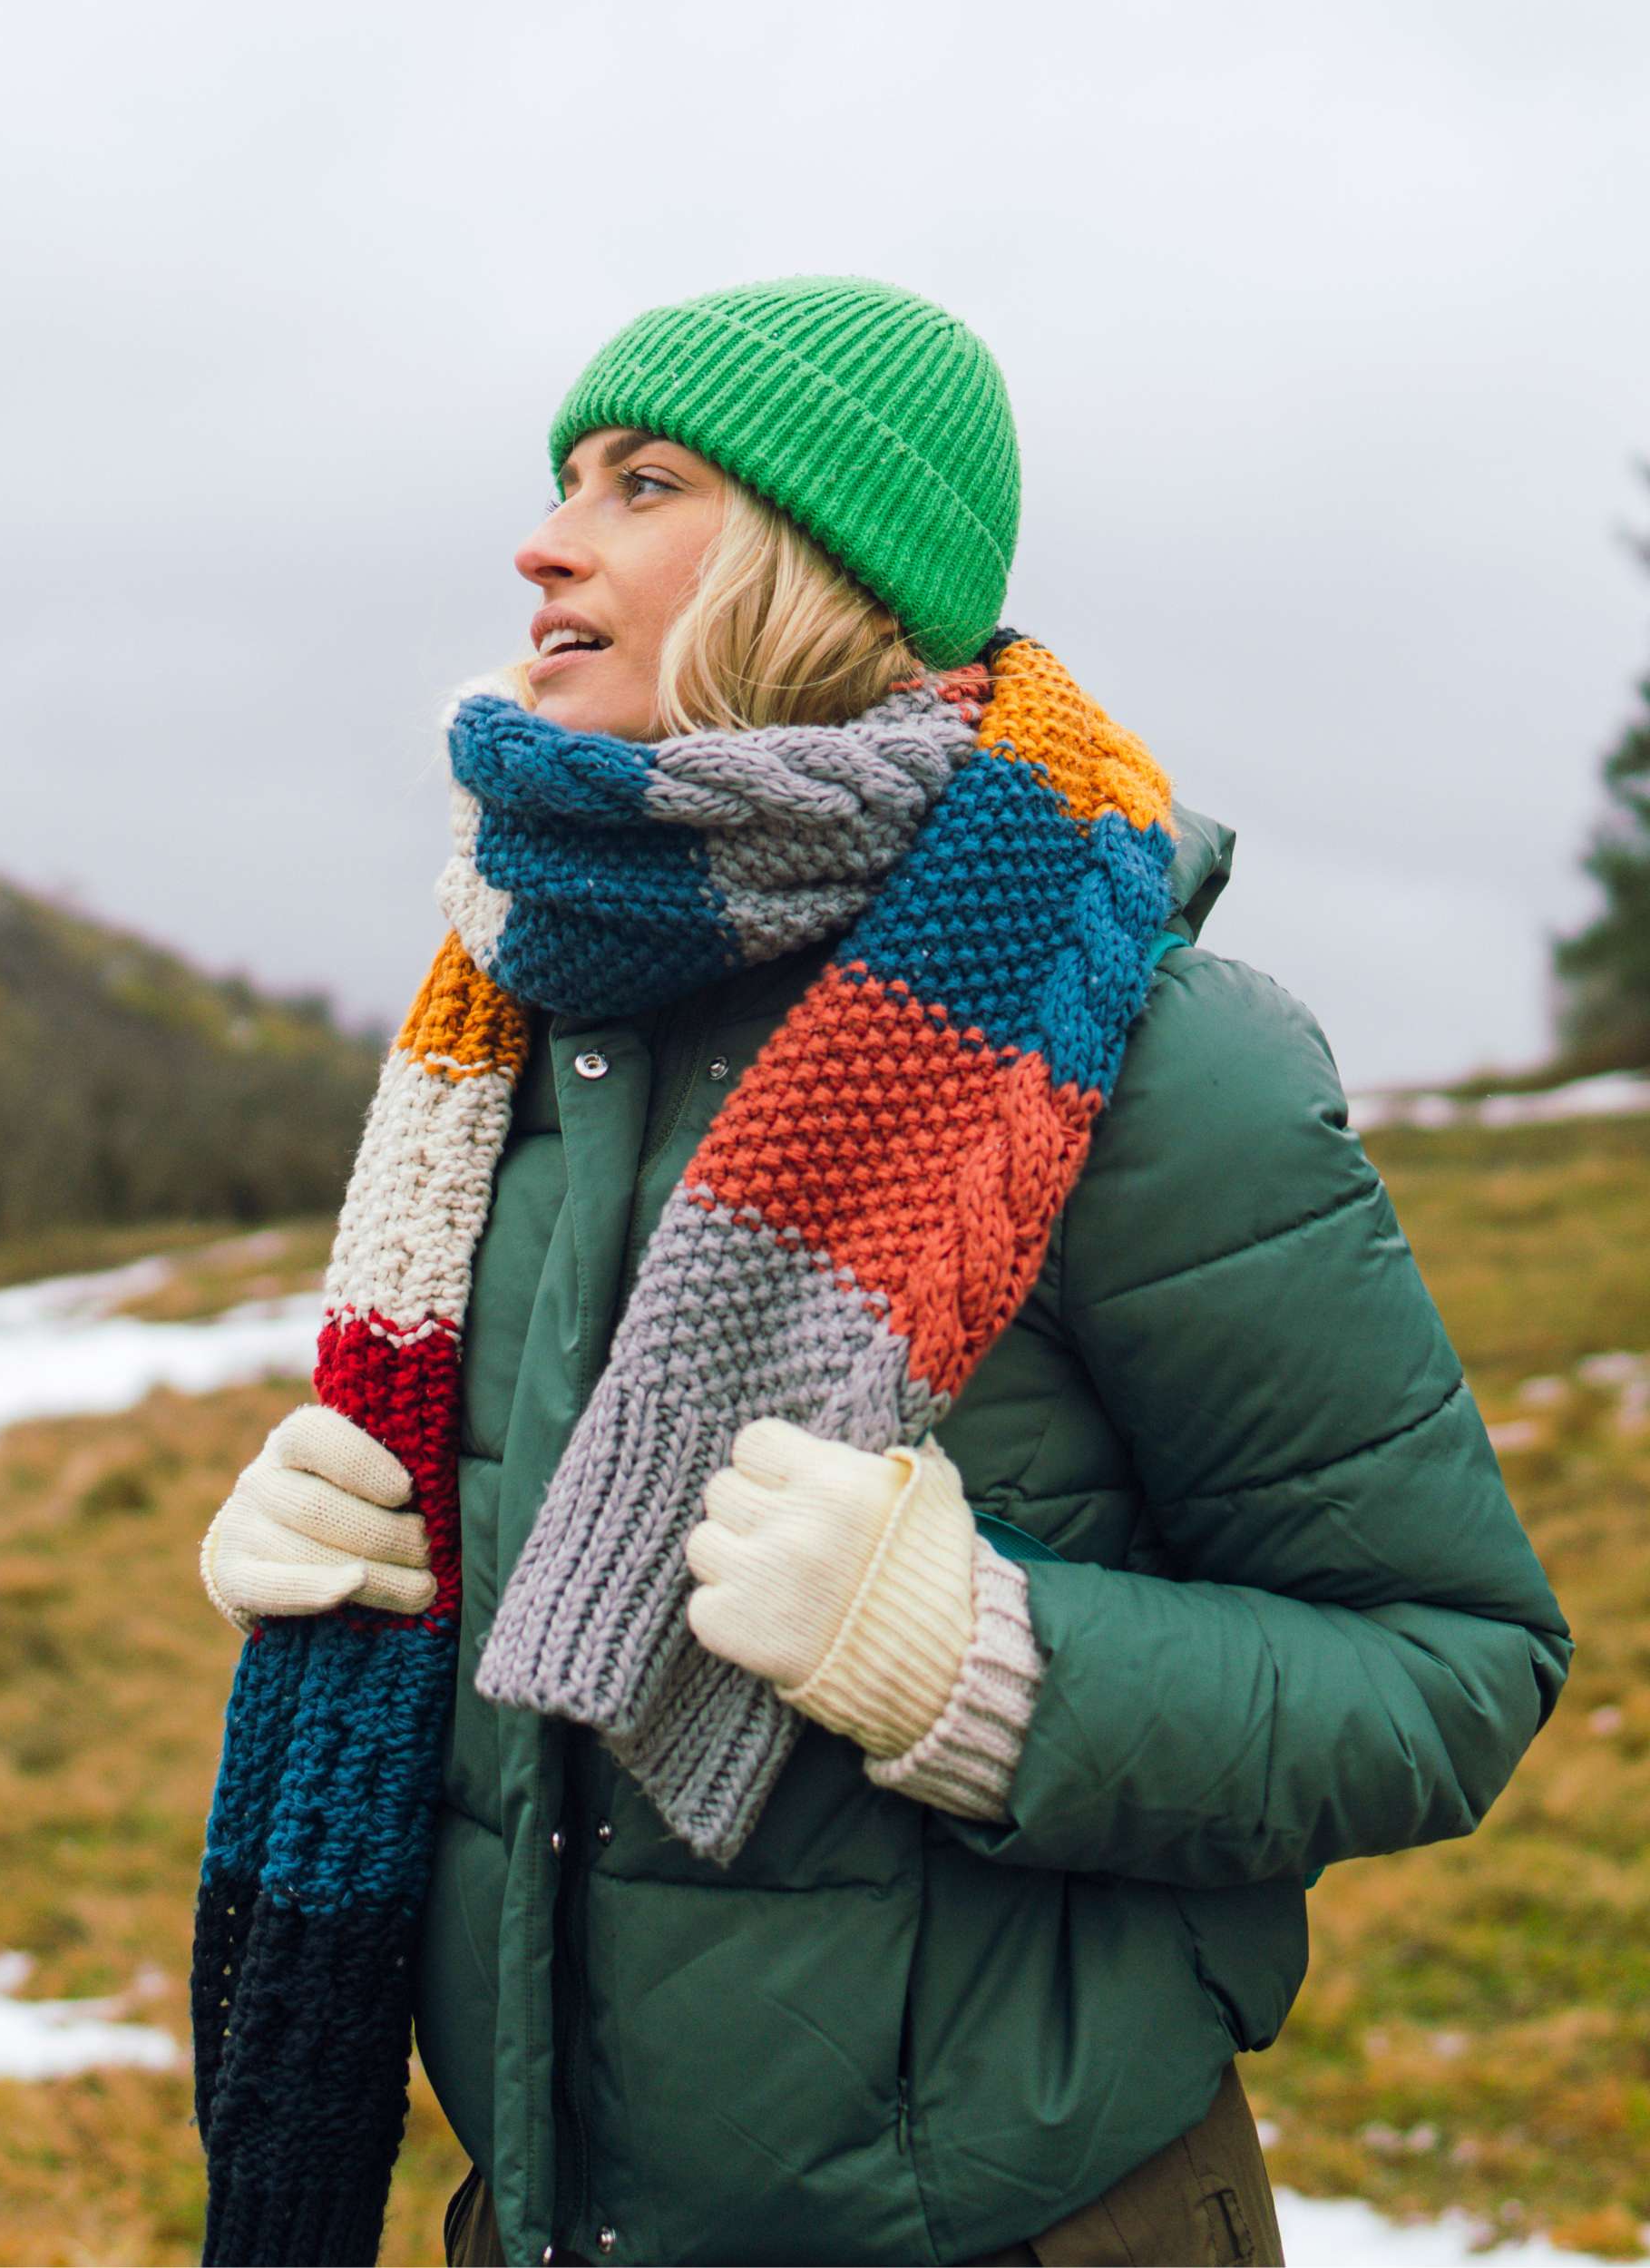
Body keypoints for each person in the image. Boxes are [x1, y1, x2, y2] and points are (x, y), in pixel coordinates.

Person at [195, 278, 1571, 2268]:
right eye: (562, 477)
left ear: (820, 560)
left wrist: (982, 1665)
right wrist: (343, 1549)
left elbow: (1449, 1669)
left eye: (639, 479)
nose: (543, 537)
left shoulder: (1147, 1053)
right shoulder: (516, 1015)